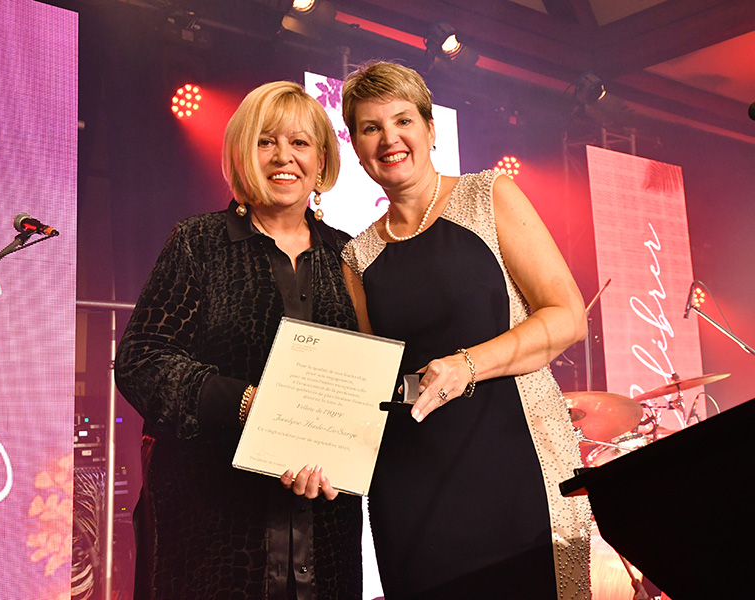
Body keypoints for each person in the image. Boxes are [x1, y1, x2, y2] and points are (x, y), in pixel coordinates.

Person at [340, 61, 592, 599]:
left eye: (403, 120)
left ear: (430, 130)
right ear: (357, 150)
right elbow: (364, 388)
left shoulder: (489, 196)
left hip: (514, 470)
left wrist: (468, 364)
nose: (390, 138)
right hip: (409, 491)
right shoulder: (355, 256)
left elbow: (568, 315)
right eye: (370, 128)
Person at [115, 80, 363, 600]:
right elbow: (142, 360)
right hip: (216, 523)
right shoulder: (197, 242)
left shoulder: (349, 258)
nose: (283, 157)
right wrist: (250, 402)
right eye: (265, 141)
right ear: (241, 153)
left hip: (327, 523)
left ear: (321, 159)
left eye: (300, 143)